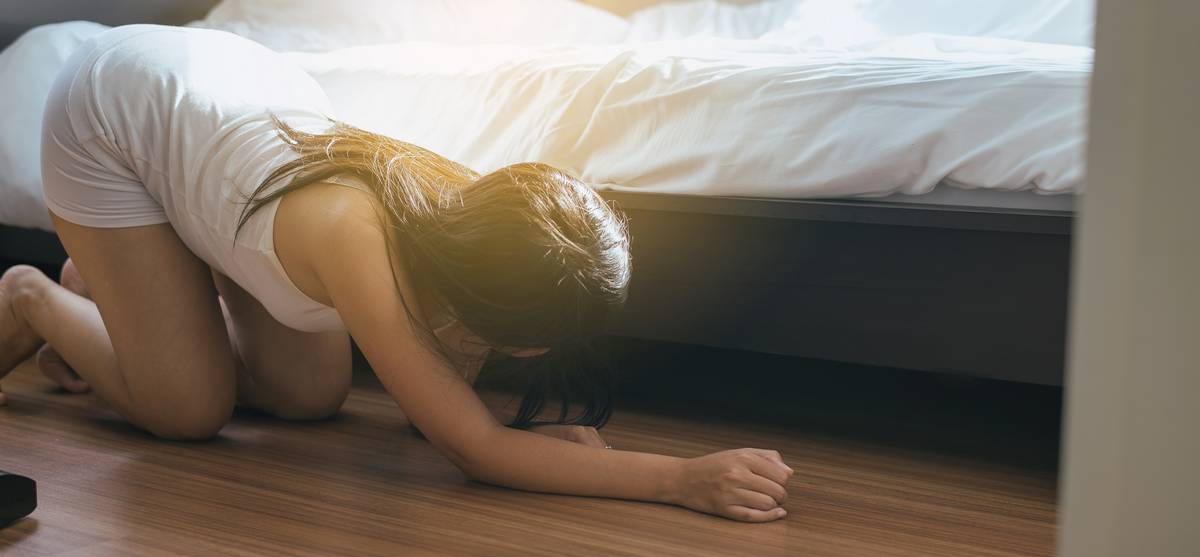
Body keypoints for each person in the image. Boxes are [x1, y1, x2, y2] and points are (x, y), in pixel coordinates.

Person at [0, 24, 791, 522]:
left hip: (220, 130)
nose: (522, 358)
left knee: (309, 397)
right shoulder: (356, 234)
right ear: (479, 295)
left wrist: (536, 439)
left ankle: (117, 293)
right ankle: (36, 295)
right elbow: (471, 449)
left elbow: (438, 408)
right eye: (518, 341)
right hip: (113, 121)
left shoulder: (481, 223)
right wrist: (680, 480)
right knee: (189, 408)